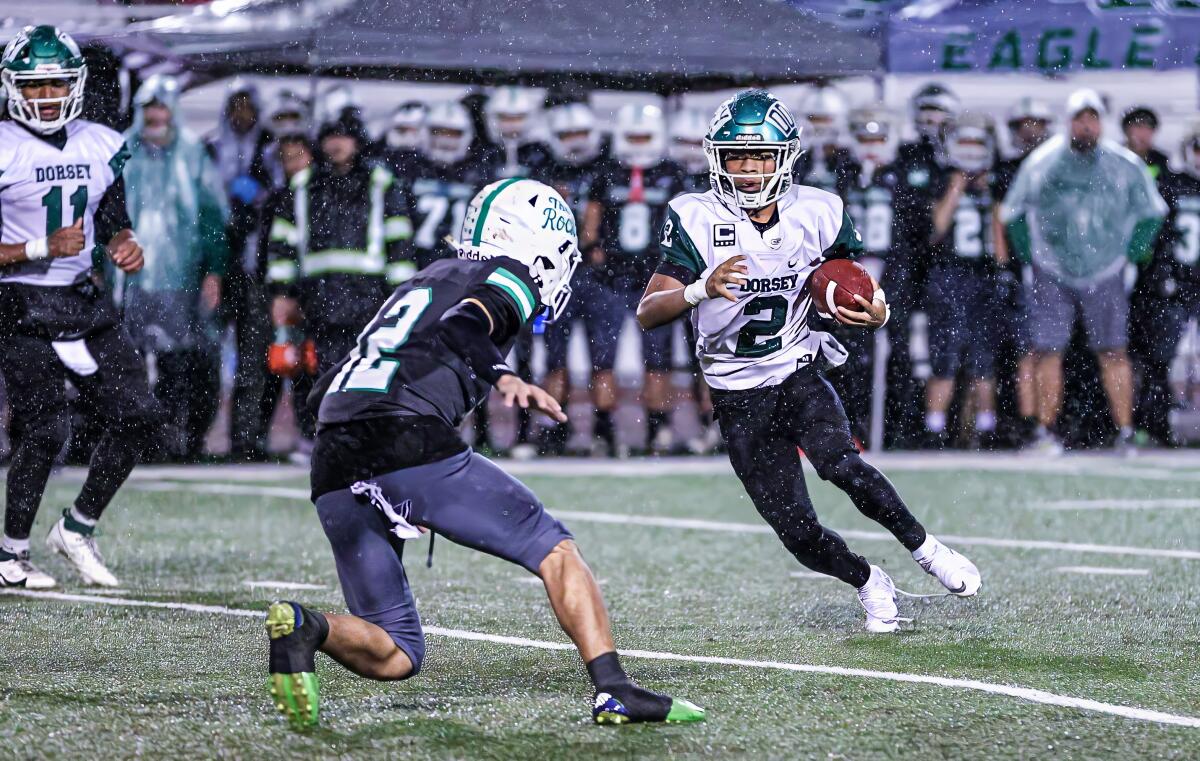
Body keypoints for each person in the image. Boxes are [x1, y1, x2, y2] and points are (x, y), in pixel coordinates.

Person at [264, 178, 704, 728]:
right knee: (554, 549)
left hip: (333, 455)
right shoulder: (508, 274)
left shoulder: (422, 279)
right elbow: (465, 325)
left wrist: (370, 458)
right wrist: (502, 375)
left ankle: (308, 627)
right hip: (406, 438)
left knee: (398, 653)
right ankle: (614, 689)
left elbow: (324, 389)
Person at [637, 90, 980, 632]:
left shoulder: (817, 209)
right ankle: (869, 580)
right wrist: (700, 288)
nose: (748, 171)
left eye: (761, 158)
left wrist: (878, 309)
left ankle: (927, 549)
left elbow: (853, 283)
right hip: (734, 393)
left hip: (796, 368)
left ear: (785, 159)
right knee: (797, 533)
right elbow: (648, 312)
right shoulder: (694, 215)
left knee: (840, 463)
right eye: (736, 158)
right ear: (716, 159)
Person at [0, 26, 157, 589]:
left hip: (82, 302)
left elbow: (111, 216)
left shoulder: (100, 142)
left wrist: (123, 242)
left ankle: (77, 526)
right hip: (17, 303)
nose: (45, 97)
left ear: (76, 85)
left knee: (140, 416)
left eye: (56, 84)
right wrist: (39, 247)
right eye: (34, 86)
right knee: (45, 426)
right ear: (13, 87)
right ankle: (9, 554)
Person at [1001, 88, 1167, 454]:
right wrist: (1029, 257)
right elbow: (1011, 212)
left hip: (1106, 267)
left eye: (1092, 118)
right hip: (1052, 268)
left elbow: (1153, 211)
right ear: (1069, 121)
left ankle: (1124, 431)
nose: (1086, 126)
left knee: (1114, 351)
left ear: (1101, 122)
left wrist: (1134, 253)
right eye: (1080, 118)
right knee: (1047, 350)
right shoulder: (1042, 162)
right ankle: (1045, 432)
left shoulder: (1124, 163)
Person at [265, 110, 416, 459]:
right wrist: (282, 293)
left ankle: (364, 437)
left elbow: (399, 239)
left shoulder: (380, 182)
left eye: (344, 136)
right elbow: (283, 240)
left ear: (357, 141)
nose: (336, 144)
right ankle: (319, 437)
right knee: (316, 369)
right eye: (330, 136)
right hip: (316, 295)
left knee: (368, 367)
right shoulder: (303, 185)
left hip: (369, 295)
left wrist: (402, 293)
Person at [122, 75, 228, 462]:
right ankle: (139, 443)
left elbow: (212, 217)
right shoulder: (123, 151)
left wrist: (215, 271)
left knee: (179, 364)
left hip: (180, 278)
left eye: (161, 106)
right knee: (129, 364)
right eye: (149, 107)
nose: (155, 114)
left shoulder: (191, 153)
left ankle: (176, 442)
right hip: (129, 280)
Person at [588, 102, 687, 455]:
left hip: (655, 278)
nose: (638, 142)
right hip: (613, 279)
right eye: (633, 136)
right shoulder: (609, 172)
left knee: (657, 361)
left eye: (644, 135)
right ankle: (606, 434)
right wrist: (595, 254)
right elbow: (592, 224)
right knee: (604, 361)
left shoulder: (671, 173)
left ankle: (655, 435)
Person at [537, 101, 617, 455]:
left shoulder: (605, 169)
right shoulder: (543, 171)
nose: (575, 141)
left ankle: (604, 431)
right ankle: (557, 430)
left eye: (581, 133)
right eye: (567, 134)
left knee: (604, 361)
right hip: (557, 277)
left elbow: (601, 226)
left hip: (595, 278)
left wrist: (594, 243)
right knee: (556, 361)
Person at [922, 112, 999, 449]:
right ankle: (935, 428)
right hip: (949, 273)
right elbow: (936, 230)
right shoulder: (942, 180)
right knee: (945, 357)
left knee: (983, 357)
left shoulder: (992, 184)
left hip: (982, 275)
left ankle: (986, 427)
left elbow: (999, 242)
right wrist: (955, 187)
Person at [835, 105, 902, 444]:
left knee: (893, 355)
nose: (872, 146)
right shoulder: (842, 174)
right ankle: (852, 430)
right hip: (851, 274)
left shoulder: (901, 175)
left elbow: (915, 231)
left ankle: (893, 430)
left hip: (890, 272)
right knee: (849, 357)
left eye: (878, 138)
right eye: (865, 138)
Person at [1133, 121, 1200, 445]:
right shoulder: (1173, 185)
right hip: (1177, 283)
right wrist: (1163, 275)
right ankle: (1156, 423)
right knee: (1162, 357)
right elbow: (1157, 236)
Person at [991, 97, 1052, 447]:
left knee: (1053, 351)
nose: (1030, 131)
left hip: (1060, 267)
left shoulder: (1059, 165)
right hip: (1025, 268)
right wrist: (1003, 265)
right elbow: (1000, 218)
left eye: (1036, 123)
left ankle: (1051, 421)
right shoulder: (1010, 169)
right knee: (1029, 349)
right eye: (1023, 124)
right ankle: (1030, 423)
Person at [794, 85, 853, 193]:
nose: (819, 126)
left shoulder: (844, 157)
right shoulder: (799, 156)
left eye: (825, 120)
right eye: (814, 119)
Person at [1121, 106, 1170, 180]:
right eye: (1139, 127)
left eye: (1148, 128)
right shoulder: (1114, 158)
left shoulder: (1160, 161)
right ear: (1127, 130)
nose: (1143, 133)